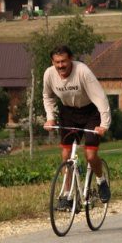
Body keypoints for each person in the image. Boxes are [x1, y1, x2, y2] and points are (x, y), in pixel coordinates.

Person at [43, 45, 112, 207]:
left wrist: (104, 124)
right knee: (66, 154)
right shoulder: (49, 74)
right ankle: (67, 195)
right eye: (57, 62)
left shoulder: (82, 72)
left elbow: (100, 98)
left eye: (64, 61)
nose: (61, 65)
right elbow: (47, 96)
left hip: (90, 112)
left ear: (71, 59)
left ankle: (101, 181)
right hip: (68, 113)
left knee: (90, 155)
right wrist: (50, 118)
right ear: (52, 62)